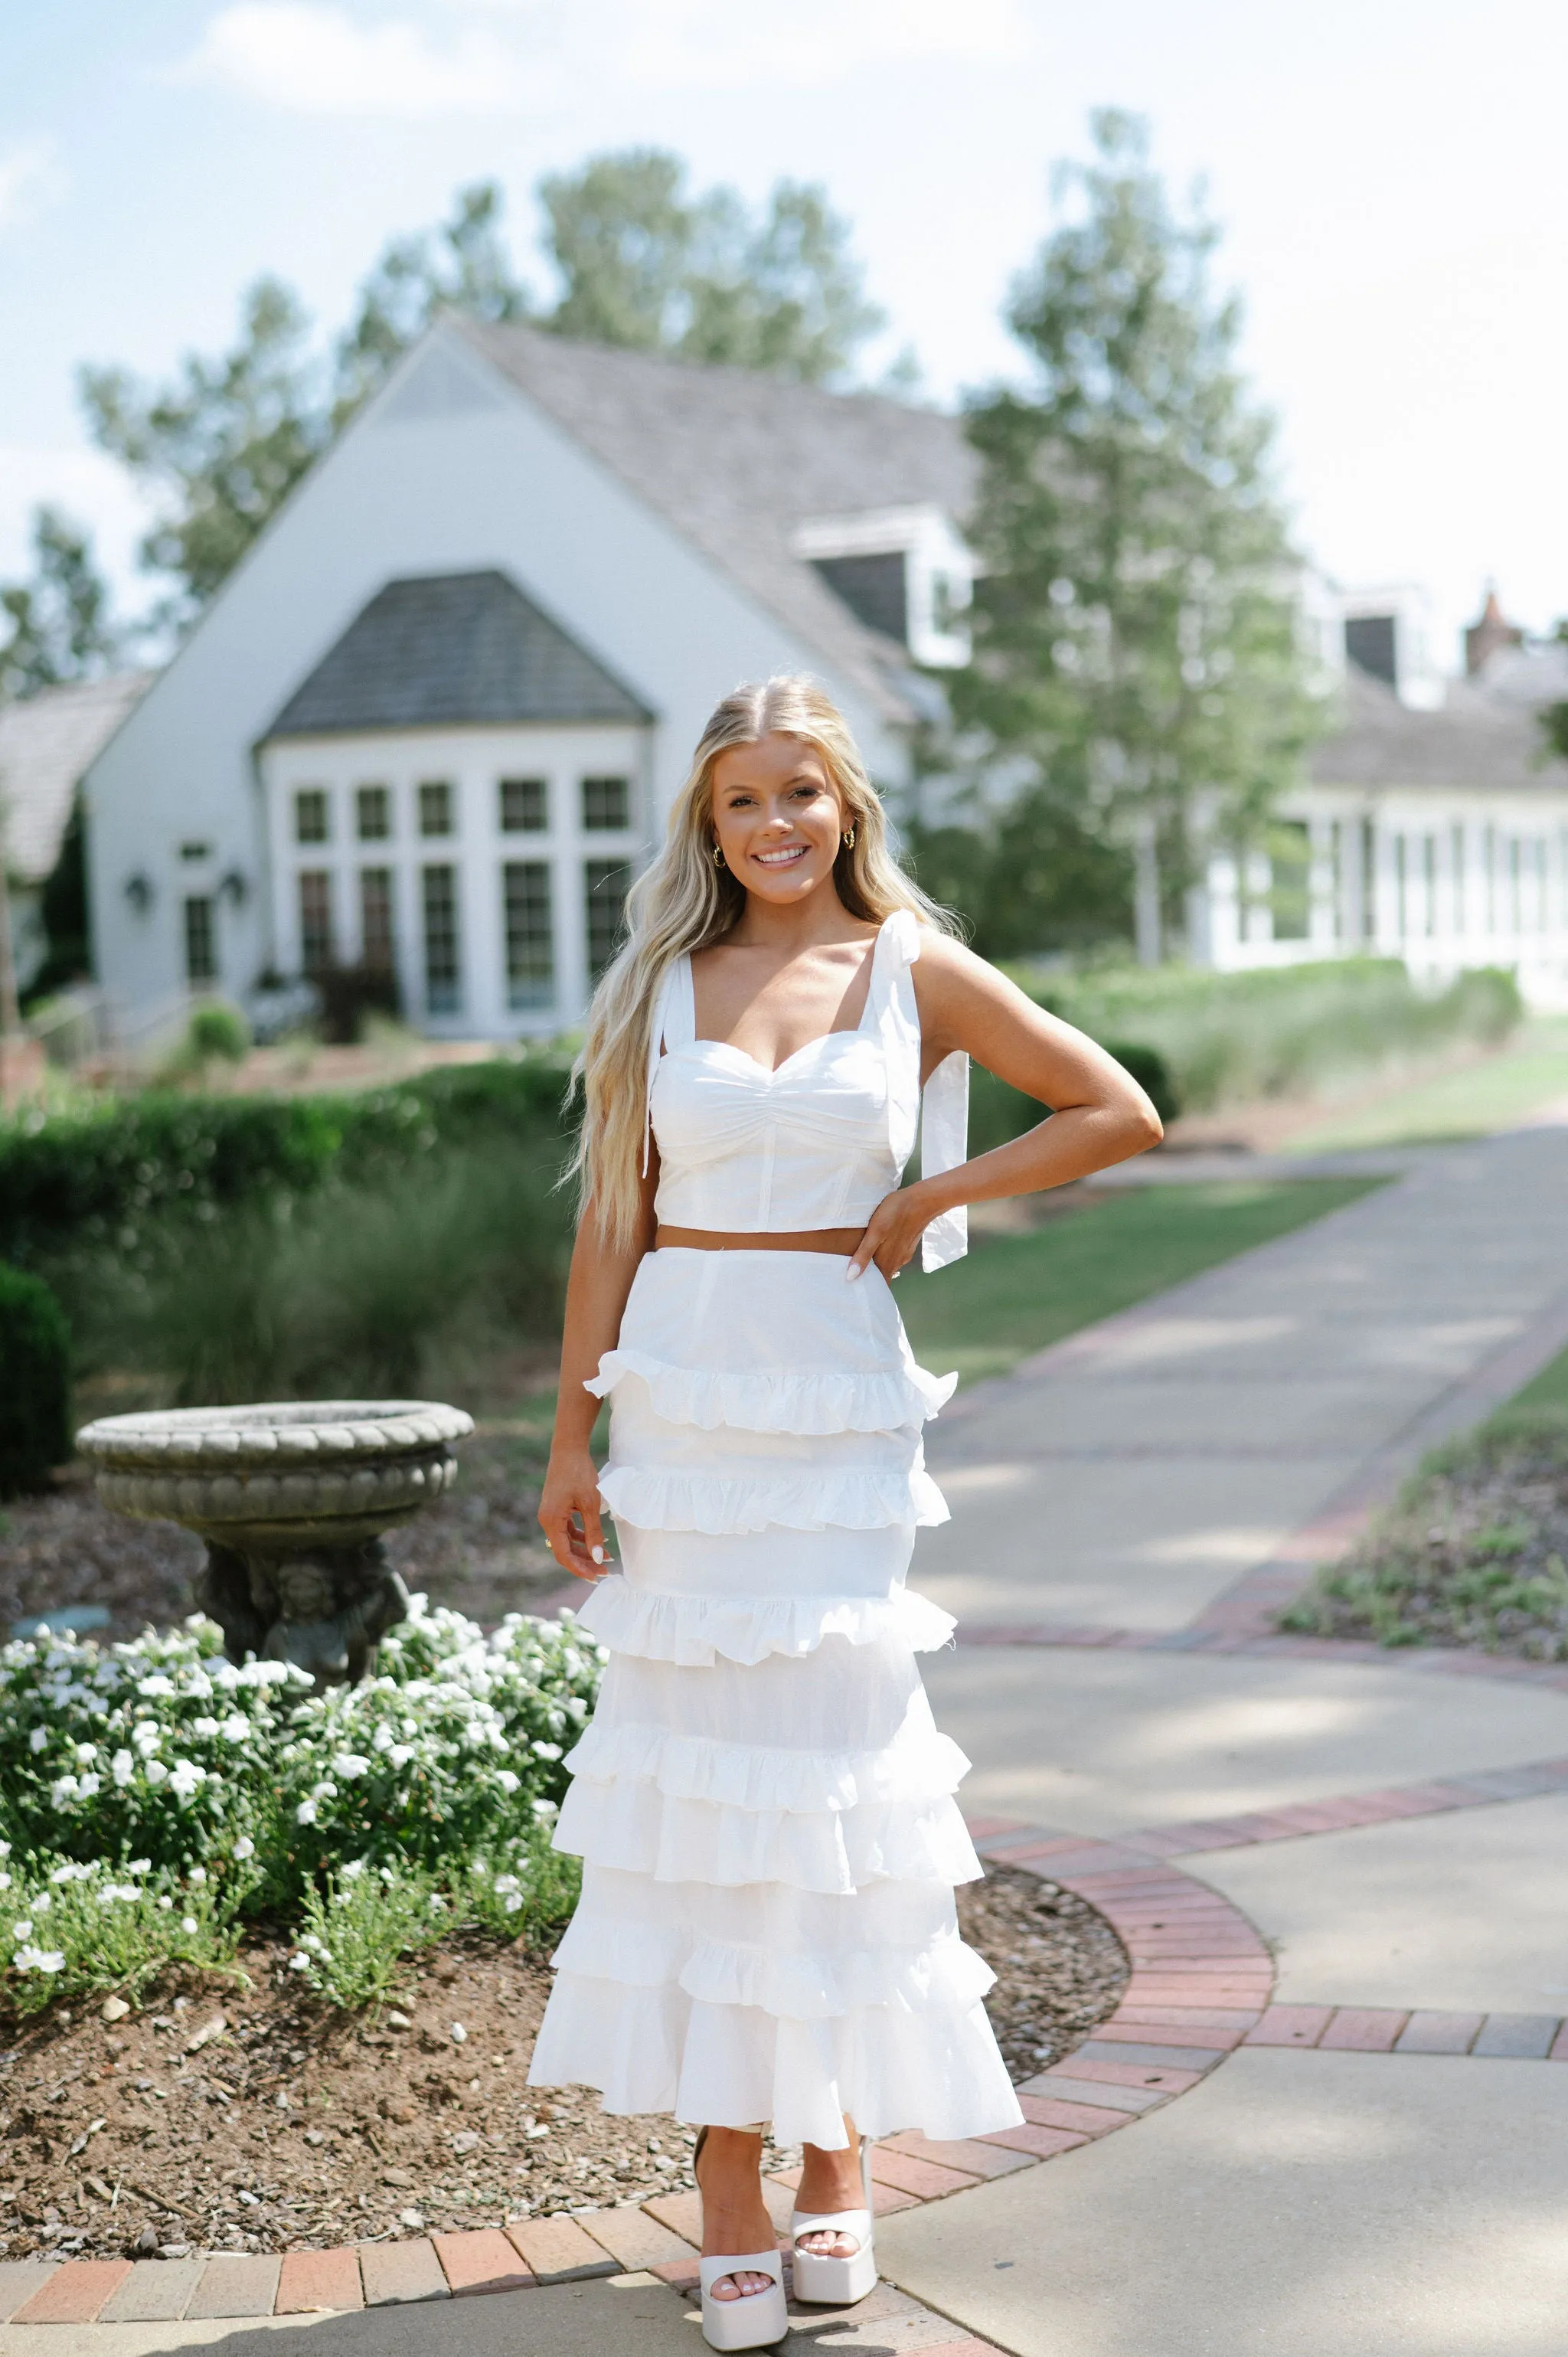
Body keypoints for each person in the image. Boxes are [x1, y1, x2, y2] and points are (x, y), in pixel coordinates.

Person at [533, 675, 1161, 2350]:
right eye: (744, 801)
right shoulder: (657, 986)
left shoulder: (913, 970)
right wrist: (570, 1437)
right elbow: (613, 1221)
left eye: (801, 794)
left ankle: (839, 2160)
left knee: (830, 1767)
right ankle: (728, 2183)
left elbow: (1118, 1107)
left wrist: (939, 1193)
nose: (775, 826)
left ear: (846, 806)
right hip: (679, 1403)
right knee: (698, 1782)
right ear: (709, 824)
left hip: (833, 1402)